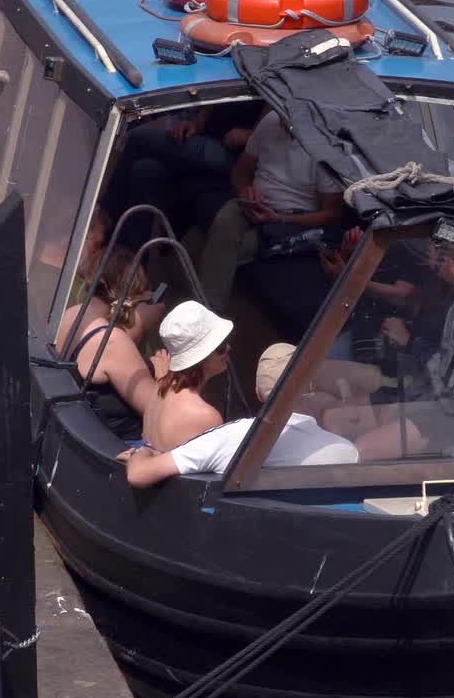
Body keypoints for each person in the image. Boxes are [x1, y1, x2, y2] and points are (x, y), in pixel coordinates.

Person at [335, 242, 454, 461]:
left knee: (362, 450)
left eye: (429, 253)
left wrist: (411, 343)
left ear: (444, 258)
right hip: (437, 399)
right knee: (336, 420)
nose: (428, 263)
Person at [117, 342, 358, 487]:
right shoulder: (347, 451)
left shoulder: (229, 439)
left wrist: (143, 451)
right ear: (311, 388)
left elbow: (139, 474)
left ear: (258, 393)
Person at [195, 109, 346, 321]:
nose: (284, 120)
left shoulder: (325, 149)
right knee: (224, 222)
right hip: (251, 204)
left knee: (227, 251)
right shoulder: (271, 121)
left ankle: (209, 316)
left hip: (291, 221)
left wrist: (280, 219)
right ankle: (209, 312)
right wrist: (245, 191)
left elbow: (331, 214)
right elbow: (241, 171)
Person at [106, 101, 267, 246]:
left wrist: (251, 134)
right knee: (145, 170)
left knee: (138, 138)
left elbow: (277, 114)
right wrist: (196, 124)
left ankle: (102, 223)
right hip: (209, 134)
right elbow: (222, 97)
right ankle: (126, 263)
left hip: (235, 155)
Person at [54, 253, 163, 440]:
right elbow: (157, 410)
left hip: (77, 430)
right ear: (132, 293)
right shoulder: (113, 342)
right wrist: (162, 374)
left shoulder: (71, 313)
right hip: (116, 446)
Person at [142, 300, 232, 450]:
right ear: (200, 359)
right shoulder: (205, 416)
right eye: (221, 347)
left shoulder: (159, 389)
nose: (228, 347)